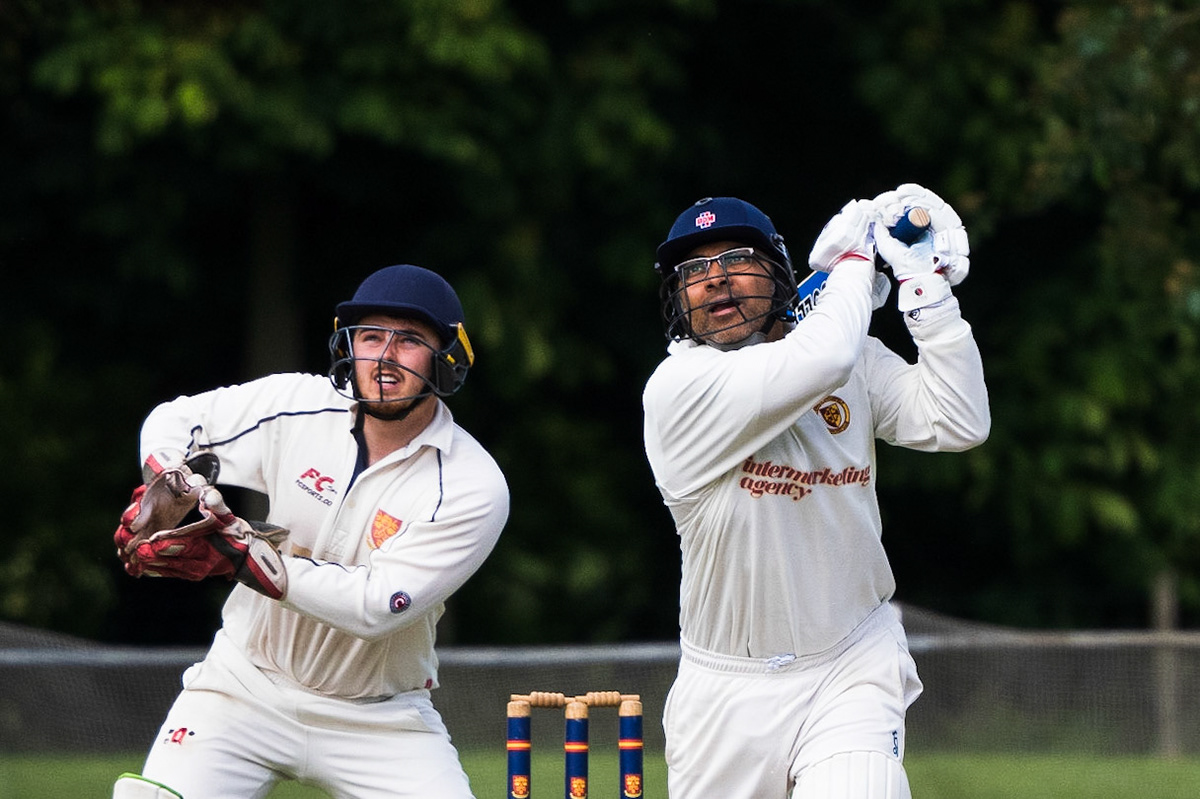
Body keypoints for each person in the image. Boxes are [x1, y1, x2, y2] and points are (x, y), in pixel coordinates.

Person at [111, 264, 510, 799]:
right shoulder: (298, 404)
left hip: (377, 717)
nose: (385, 357)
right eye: (370, 337)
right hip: (242, 686)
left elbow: (376, 605)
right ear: (348, 344)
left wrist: (240, 555)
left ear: (447, 361)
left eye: (409, 340)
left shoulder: (471, 483)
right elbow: (175, 420)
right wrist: (172, 486)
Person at [642, 186, 990, 799]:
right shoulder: (680, 387)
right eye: (694, 271)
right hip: (724, 690)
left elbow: (957, 421)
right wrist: (856, 264)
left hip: (850, 661)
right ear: (678, 297)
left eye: (738, 261)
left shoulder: (849, 357)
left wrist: (926, 293)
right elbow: (820, 357)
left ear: (779, 273)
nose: (715, 280)